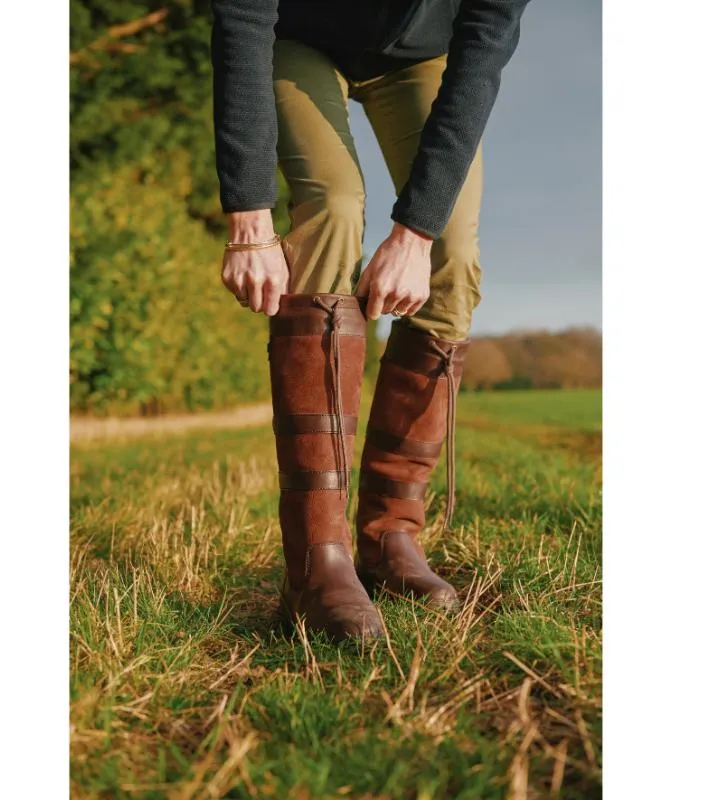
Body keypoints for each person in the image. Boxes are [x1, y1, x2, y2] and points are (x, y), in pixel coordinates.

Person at [211, 0, 531, 641]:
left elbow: (485, 41)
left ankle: (390, 538)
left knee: (452, 251)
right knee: (333, 205)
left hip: (422, 57)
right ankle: (315, 563)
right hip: (297, 37)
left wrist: (414, 236)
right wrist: (249, 217)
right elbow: (242, 15)